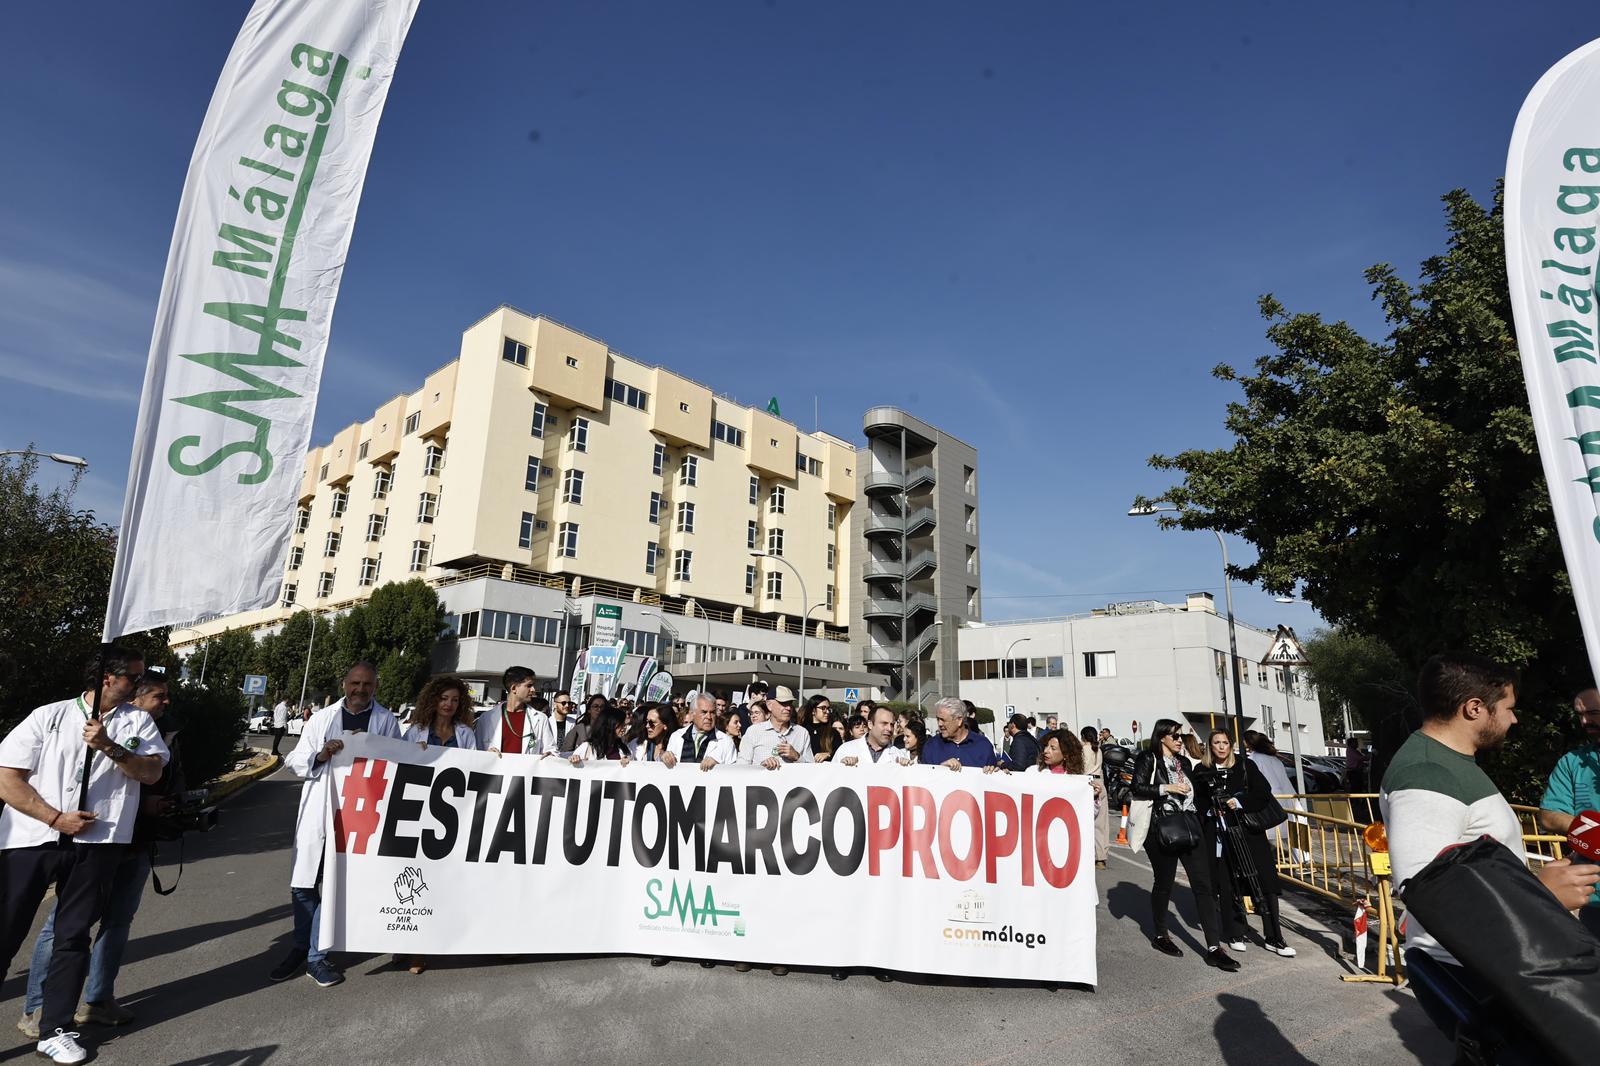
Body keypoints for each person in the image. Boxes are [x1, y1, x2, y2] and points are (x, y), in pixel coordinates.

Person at [0, 645, 169, 1065]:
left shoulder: (139, 721)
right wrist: (55, 817)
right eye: (133, 677)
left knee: (72, 937)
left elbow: (151, 772)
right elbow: (6, 778)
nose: (138, 684)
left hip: (100, 843)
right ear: (107, 678)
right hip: (32, 840)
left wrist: (110, 746)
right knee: (5, 932)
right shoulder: (49, 715)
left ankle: (55, 1029)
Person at [1383, 654, 1599, 976]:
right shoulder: (1427, 775)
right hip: (1469, 966)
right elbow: (1428, 896)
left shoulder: (1451, 764)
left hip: (1484, 957)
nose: (1514, 720)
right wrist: (1540, 894)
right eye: (1509, 708)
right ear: (1474, 708)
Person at [273, 661, 402, 988]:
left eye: (367, 685)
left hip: (357, 814)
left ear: (375, 686)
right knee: (302, 885)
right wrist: (321, 754)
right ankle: (301, 946)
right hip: (320, 808)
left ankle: (316, 956)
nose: (360, 690)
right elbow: (294, 760)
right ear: (344, 683)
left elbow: (398, 764)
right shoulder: (321, 719)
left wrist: (370, 750)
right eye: (355, 683)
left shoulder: (385, 721)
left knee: (334, 885)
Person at [1131, 718, 1238, 972]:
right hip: (1162, 828)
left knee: (1204, 886)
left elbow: (1195, 794)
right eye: (1176, 736)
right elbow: (1136, 786)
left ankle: (1214, 948)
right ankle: (1160, 934)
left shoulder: (1185, 763)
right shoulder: (1149, 758)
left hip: (1189, 826)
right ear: (1163, 738)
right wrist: (1167, 788)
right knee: (1164, 882)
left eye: (1180, 736)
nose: (1180, 741)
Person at [1195, 729, 1296, 957]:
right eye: (1217, 743)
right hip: (1219, 835)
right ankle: (1235, 932)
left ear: (1231, 745)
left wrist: (1238, 802)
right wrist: (1210, 809)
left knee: (1266, 882)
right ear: (1210, 746)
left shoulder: (1244, 766)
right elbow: (1197, 802)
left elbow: (1263, 793)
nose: (1221, 747)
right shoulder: (1201, 770)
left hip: (1249, 831)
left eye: (1225, 743)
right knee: (1228, 882)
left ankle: (1274, 937)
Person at [1538, 686, 1600, 936]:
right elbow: (1549, 816)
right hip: (1594, 898)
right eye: (1580, 715)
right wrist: (1594, 831)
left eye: (1593, 713)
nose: (1585, 722)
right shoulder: (1573, 762)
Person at [475, 666, 555, 755]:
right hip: (495, 768)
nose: (533, 690)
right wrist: (486, 754)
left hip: (527, 768)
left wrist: (550, 754)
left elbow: (552, 750)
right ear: (513, 688)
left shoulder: (541, 719)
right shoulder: (486, 719)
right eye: (529, 686)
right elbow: (476, 752)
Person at [738, 686, 813, 768]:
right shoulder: (753, 731)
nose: (788, 708)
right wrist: (762, 766)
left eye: (790, 703)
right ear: (769, 705)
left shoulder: (802, 733)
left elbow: (813, 770)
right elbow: (741, 767)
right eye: (783, 703)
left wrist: (797, 757)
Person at [404, 677, 479, 750]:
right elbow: (401, 756)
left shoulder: (466, 733)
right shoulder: (415, 731)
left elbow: (471, 761)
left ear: (460, 704)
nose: (449, 704)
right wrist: (412, 750)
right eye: (444, 698)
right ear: (433, 700)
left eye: (455, 700)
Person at [662, 695, 736, 770]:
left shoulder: (726, 742)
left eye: (712, 712)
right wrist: (666, 758)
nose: (709, 717)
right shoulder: (676, 737)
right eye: (704, 712)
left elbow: (731, 775)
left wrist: (718, 767)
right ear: (692, 714)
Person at [923, 697, 999, 769]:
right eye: (938, 719)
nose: (939, 724)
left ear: (959, 720)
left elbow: (993, 779)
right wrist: (941, 769)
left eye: (943, 720)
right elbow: (924, 779)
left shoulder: (983, 745)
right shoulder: (931, 746)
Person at [836, 705, 909, 767]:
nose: (889, 729)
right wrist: (841, 767)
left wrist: (905, 769)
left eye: (892, 725)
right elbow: (831, 778)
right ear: (870, 724)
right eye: (884, 723)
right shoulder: (846, 749)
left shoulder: (900, 755)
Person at [1080, 727, 1109, 868]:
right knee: (1101, 823)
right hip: (1100, 782)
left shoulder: (1083, 749)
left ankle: (1084, 854)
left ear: (1083, 736)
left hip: (1086, 783)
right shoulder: (1099, 749)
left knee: (1084, 822)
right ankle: (1101, 857)